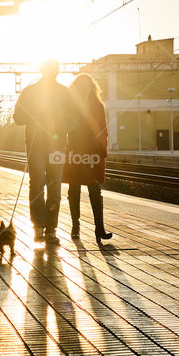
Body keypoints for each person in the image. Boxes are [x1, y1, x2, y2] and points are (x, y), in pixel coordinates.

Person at [13, 59, 75, 244]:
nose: (52, 72)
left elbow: (74, 119)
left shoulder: (63, 93)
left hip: (55, 144)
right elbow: (18, 117)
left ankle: (47, 229)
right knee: (41, 184)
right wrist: (33, 112)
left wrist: (61, 127)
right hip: (38, 145)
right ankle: (42, 228)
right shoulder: (32, 92)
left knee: (46, 185)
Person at [63, 74, 112, 243]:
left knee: (95, 188)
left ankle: (100, 228)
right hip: (75, 150)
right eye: (80, 85)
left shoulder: (98, 105)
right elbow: (64, 126)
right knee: (74, 188)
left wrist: (101, 148)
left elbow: (103, 128)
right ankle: (75, 226)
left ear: (92, 87)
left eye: (87, 85)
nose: (84, 88)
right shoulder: (70, 105)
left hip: (92, 150)